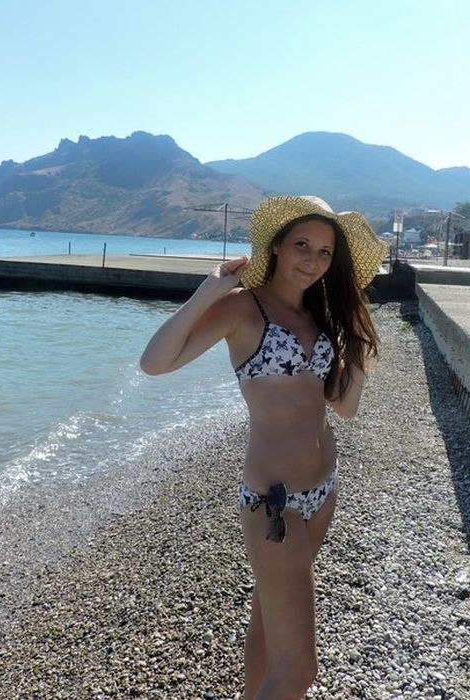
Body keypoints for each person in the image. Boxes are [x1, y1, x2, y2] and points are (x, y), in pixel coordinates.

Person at [140, 195, 386, 700]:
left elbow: (343, 407)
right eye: (302, 245)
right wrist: (208, 290)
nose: (312, 260)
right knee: (299, 672)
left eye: (324, 252)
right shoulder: (242, 308)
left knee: (267, 626)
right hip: (274, 503)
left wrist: (359, 343)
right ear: (276, 245)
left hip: (324, 489)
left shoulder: (317, 316)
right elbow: (154, 363)